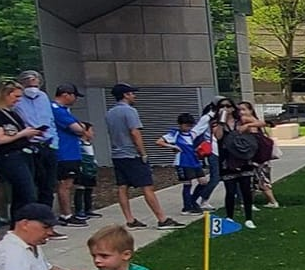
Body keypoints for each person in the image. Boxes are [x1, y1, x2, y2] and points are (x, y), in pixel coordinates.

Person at [104, 84, 174, 229]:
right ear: (125, 95)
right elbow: (135, 133)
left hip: (117, 154)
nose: (134, 96)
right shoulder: (130, 111)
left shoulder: (110, 112)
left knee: (122, 187)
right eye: (132, 93)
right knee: (147, 186)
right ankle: (162, 219)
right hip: (131, 154)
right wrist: (143, 153)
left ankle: (130, 220)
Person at [0, 79, 47, 211]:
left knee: (20, 196)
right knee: (27, 193)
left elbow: (15, 134)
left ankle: (17, 224)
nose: (18, 100)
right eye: (16, 96)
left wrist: (30, 134)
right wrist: (22, 134)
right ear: (4, 94)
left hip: (24, 154)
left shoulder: (12, 113)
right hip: (10, 157)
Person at [13, 71, 60, 210]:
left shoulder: (43, 97)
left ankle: (46, 221)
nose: (33, 87)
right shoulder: (17, 100)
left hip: (48, 144)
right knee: (29, 187)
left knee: (48, 186)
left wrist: (54, 143)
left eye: (35, 82)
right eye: (28, 83)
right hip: (29, 145)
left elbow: (50, 120)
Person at [49, 84, 91, 225]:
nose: (75, 99)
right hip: (65, 153)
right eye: (74, 96)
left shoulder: (63, 110)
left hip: (70, 152)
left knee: (68, 183)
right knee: (65, 184)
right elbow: (79, 129)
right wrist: (81, 127)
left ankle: (67, 213)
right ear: (66, 94)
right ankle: (66, 215)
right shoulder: (58, 110)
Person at [215, 111, 262, 228]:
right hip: (227, 161)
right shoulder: (218, 123)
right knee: (230, 191)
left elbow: (261, 123)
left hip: (244, 158)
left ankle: (249, 218)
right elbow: (218, 137)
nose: (226, 109)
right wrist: (221, 122)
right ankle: (229, 217)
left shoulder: (242, 120)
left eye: (228, 106)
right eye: (222, 106)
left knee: (246, 190)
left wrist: (247, 125)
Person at [233, 102, 280, 209]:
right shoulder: (251, 121)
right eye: (239, 110)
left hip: (256, 156)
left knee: (257, 179)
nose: (241, 112)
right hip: (259, 156)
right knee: (257, 179)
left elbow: (240, 130)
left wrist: (248, 125)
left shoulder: (247, 120)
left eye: (244, 109)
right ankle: (253, 202)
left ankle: (268, 202)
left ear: (250, 110)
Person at [160, 113, 207, 214]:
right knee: (187, 184)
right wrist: (173, 147)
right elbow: (159, 142)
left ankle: (192, 201)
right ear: (180, 124)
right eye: (186, 125)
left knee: (203, 182)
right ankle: (187, 207)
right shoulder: (174, 134)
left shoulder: (192, 134)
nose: (188, 127)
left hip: (194, 161)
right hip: (182, 162)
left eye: (190, 125)